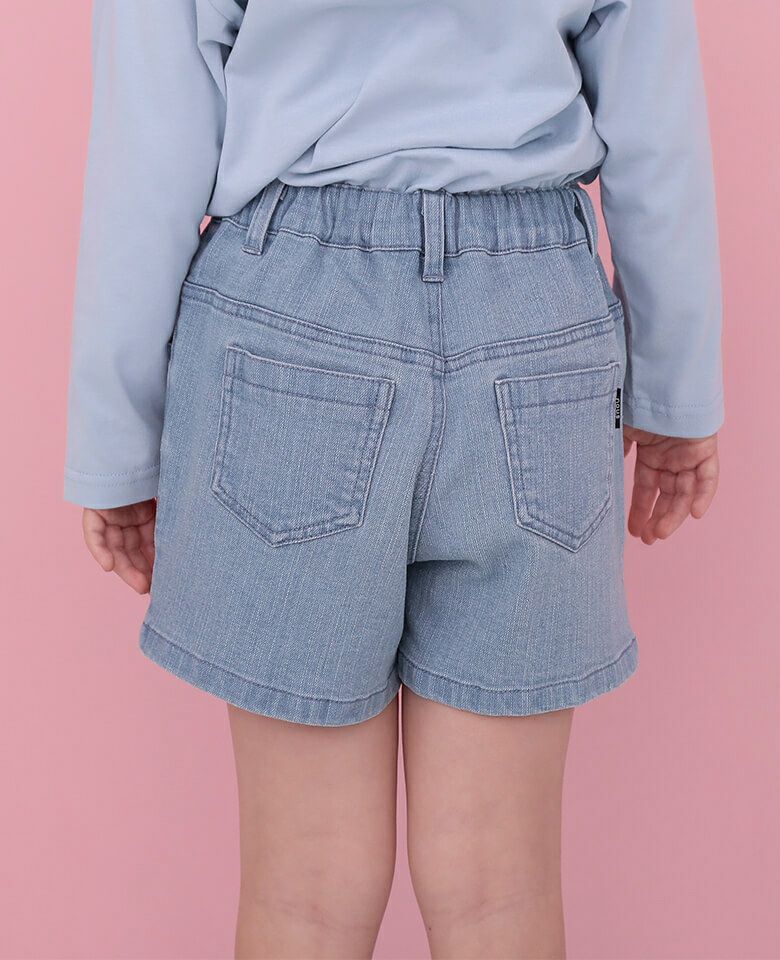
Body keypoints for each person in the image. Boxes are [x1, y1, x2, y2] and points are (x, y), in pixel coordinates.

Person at [64, 1, 723, 956]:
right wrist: (675, 392)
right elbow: (658, 129)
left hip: (290, 320)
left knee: (304, 893)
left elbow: (150, 144)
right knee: (502, 888)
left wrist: (117, 441)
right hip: (537, 326)